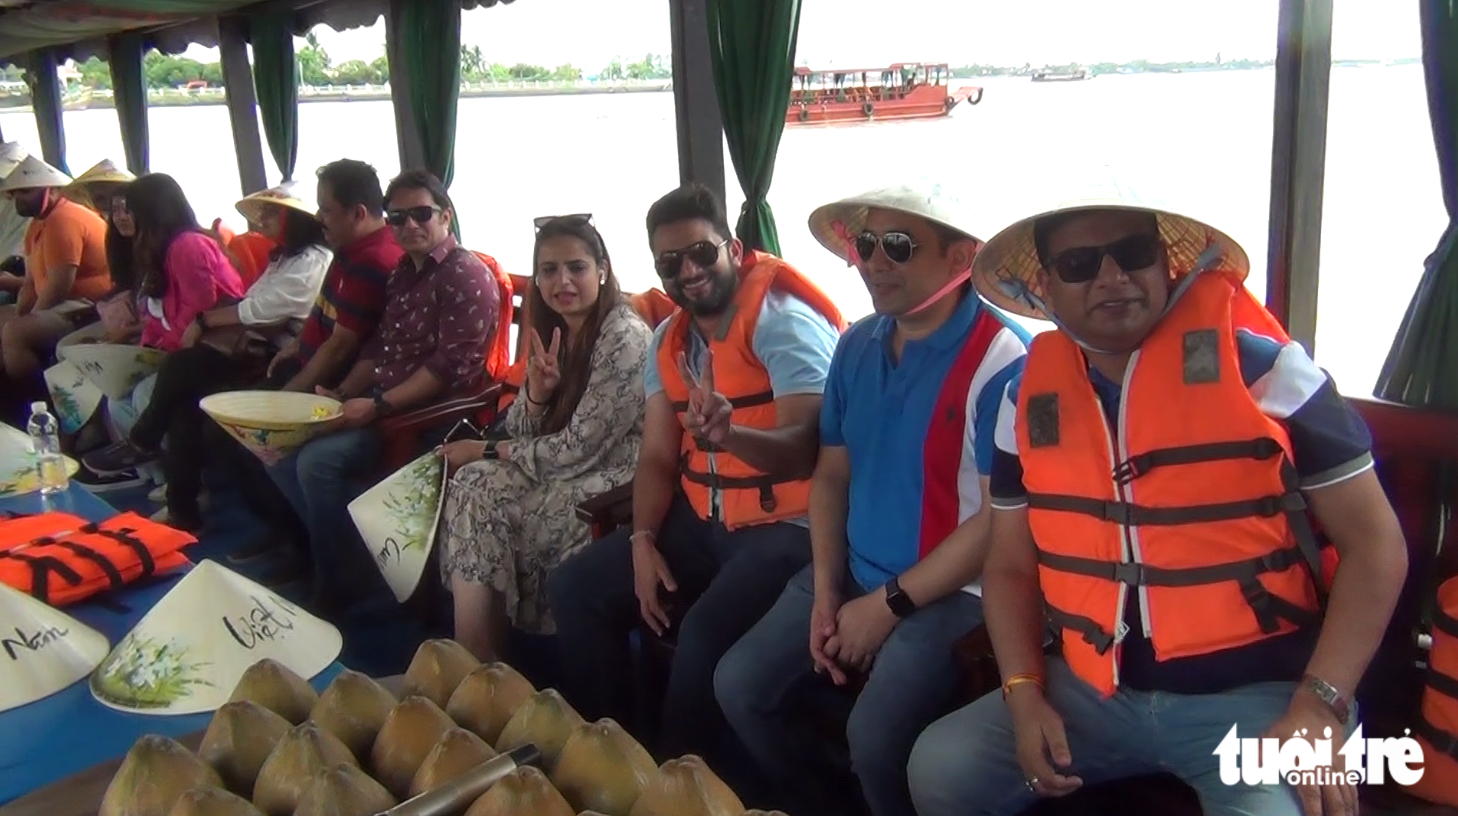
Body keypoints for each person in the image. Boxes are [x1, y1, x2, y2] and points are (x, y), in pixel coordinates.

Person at [906, 196, 1409, 816]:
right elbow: (1010, 565)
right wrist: (1023, 691)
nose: (1112, 277)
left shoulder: (1268, 373)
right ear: (1045, 288)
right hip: (1091, 692)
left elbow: (1376, 544)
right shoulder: (1023, 400)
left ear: (1168, 267)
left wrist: (1320, 701)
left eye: (1134, 254)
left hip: (1260, 698)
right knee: (940, 768)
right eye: (1080, 263)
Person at [713, 182, 1029, 816]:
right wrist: (829, 587)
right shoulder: (857, 344)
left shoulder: (1001, 359)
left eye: (899, 246)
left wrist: (887, 606)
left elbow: (1001, 525)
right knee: (739, 685)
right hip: (856, 568)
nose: (874, 263)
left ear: (960, 258)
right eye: (866, 245)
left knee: (875, 736)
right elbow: (831, 474)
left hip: (951, 594)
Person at [547, 183, 845, 769]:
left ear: (733, 249)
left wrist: (732, 435)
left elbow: (808, 450)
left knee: (705, 633)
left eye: (701, 253)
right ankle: (609, 754)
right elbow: (658, 456)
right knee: (575, 587)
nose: (688, 270)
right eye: (670, 262)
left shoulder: (783, 325)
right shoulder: (670, 341)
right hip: (702, 517)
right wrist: (641, 539)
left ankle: (679, 782)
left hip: (787, 527)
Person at [270, 168, 499, 616]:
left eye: (421, 214)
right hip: (382, 402)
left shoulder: (464, 277)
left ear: (446, 217)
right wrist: (337, 394)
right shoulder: (402, 274)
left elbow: (447, 369)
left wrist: (374, 406)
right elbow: (379, 348)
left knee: (317, 463)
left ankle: (344, 582)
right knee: (282, 451)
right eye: (398, 218)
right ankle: (356, 562)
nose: (410, 225)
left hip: (431, 418)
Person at [441, 214, 653, 661]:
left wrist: (485, 449)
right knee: (472, 487)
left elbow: (580, 449)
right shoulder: (559, 331)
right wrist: (537, 395)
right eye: (549, 270)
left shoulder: (623, 337)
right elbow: (520, 429)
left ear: (602, 269)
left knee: (504, 503)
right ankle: (479, 660)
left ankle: (508, 659)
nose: (563, 281)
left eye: (576, 267)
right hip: (560, 460)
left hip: (622, 474)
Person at [84, 184, 331, 530]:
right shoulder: (284, 258)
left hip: (274, 355)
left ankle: (144, 442)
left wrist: (204, 322)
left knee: (180, 371)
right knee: (185, 408)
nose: (263, 219)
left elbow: (260, 310)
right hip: (252, 345)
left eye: (273, 212)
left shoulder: (312, 260)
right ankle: (182, 508)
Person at [0, 156, 111, 386]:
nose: (19, 199)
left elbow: (59, 286)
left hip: (87, 304)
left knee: (14, 333)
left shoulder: (64, 219)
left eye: (27, 192)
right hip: (62, 302)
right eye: (16, 193)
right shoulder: (37, 224)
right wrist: (21, 312)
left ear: (50, 191)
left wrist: (28, 319)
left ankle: (34, 393)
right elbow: (31, 283)